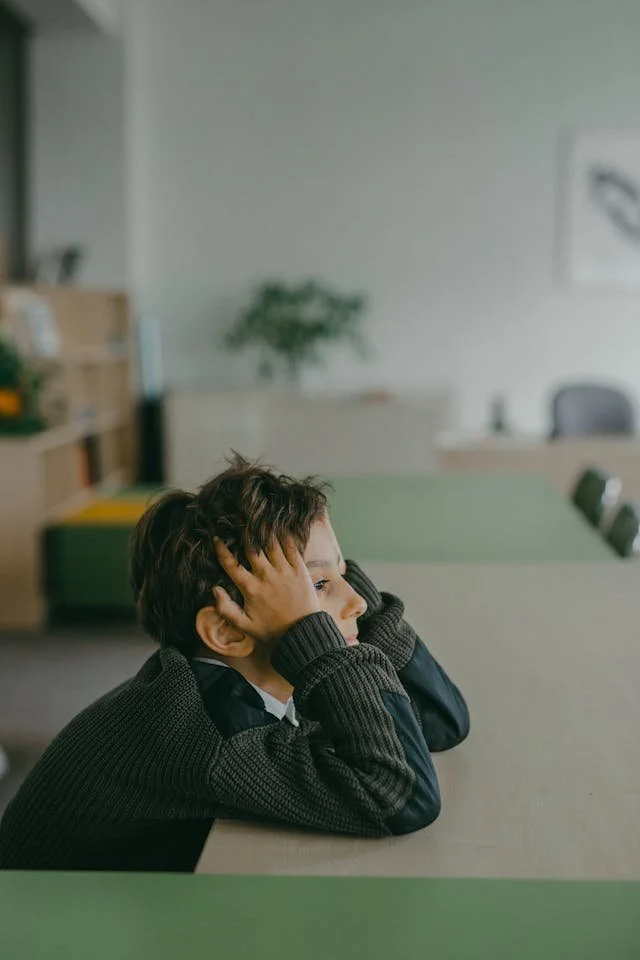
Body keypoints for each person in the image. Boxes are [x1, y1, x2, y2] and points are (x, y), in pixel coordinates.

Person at [0, 455, 469, 872]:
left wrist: (334, 583)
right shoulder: (202, 726)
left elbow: (439, 721)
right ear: (227, 631)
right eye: (317, 587)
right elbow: (400, 797)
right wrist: (318, 633)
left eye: (344, 577)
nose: (359, 604)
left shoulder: (255, 675)